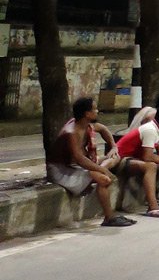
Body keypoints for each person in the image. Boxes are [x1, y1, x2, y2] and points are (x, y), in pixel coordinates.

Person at [45, 97, 134, 227]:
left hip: (78, 165)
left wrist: (113, 146)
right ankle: (109, 217)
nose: (97, 111)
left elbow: (103, 129)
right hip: (62, 170)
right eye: (95, 109)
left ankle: (110, 214)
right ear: (87, 113)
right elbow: (79, 159)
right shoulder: (71, 132)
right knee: (104, 179)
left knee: (115, 157)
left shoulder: (86, 125)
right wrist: (101, 170)